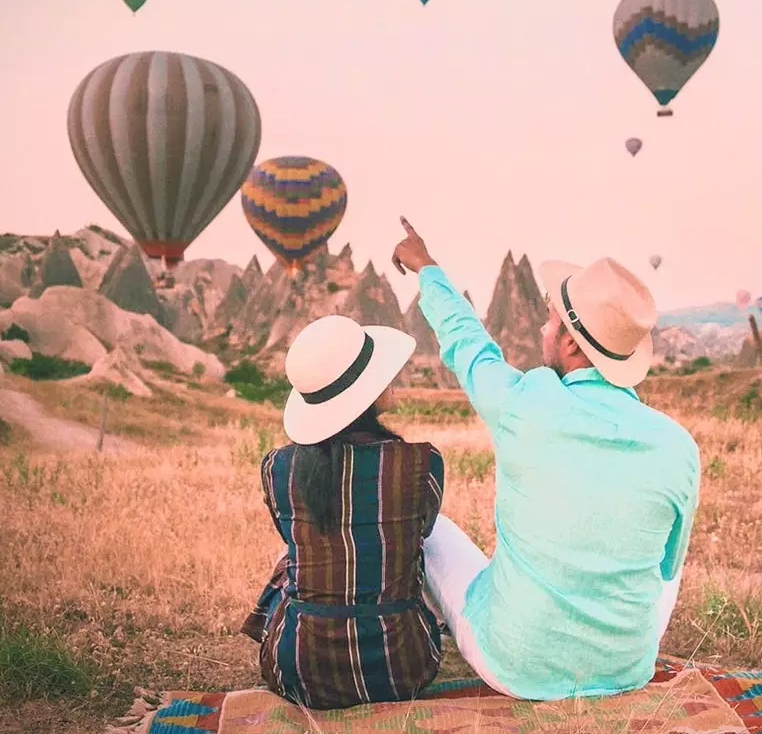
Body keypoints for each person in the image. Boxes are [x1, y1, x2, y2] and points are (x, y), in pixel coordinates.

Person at [390, 217, 701, 701]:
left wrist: (427, 266)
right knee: (668, 558)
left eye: (551, 319)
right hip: (626, 669)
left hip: (514, 666)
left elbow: (467, 346)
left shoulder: (525, 403)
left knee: (431, 531)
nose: (542, 326)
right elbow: (666, 567)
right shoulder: (679, 444)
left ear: (571, 343)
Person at [240, 314, 447, 710]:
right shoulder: (422, 463)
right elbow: (422, 531)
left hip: (300, 673)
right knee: (429, 542)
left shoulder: (277, 469)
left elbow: (290, 538)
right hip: (403, 669)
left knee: (293, 558)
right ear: (368, 393)